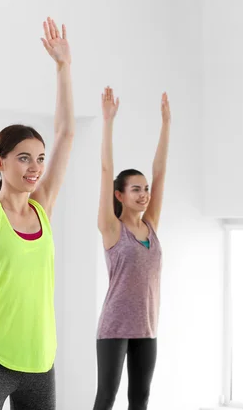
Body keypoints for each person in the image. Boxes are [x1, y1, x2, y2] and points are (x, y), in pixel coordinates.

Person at [0, 3, 75, 410]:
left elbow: (66, 133)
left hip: (41, 361)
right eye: (24, 157)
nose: (36, 167)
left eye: (40, 159)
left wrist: (63, 67)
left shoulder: (43, 209)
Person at [94, 87, 171, 410]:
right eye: (136, 190)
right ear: (120, 195)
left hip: (147, 327)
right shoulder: (112, 229)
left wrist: (166, 124)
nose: (144, 194)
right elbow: (106, 172)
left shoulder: (150, 224)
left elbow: (160, 172)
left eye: (146, 190)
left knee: (140, 398)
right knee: (107, 397)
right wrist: (108, 121)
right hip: (114, 327)